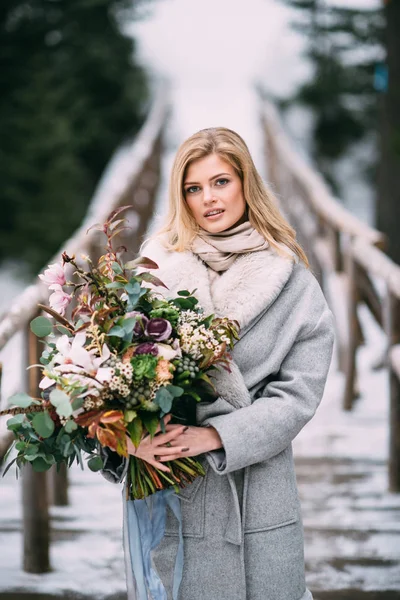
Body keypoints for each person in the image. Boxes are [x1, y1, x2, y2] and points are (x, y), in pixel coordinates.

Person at [124, 127, 335, 600]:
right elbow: (114, 383)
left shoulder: (294, 284)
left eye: (221, 182)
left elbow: (298, 395)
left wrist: (219, 435)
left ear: (246, 183)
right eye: (193, 188)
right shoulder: (151, 277)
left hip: (259, 492)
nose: (208, 200)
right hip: (175, 491)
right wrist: (129, 439)